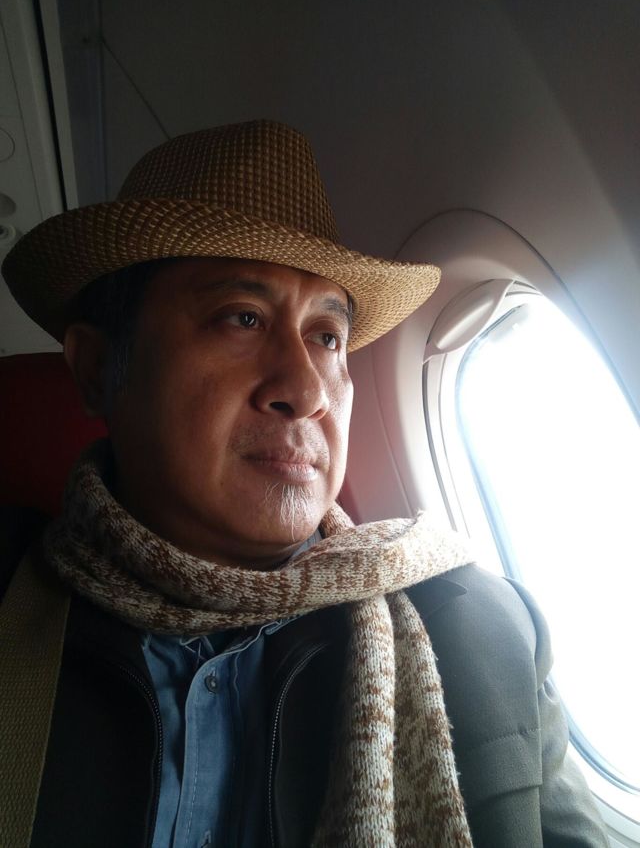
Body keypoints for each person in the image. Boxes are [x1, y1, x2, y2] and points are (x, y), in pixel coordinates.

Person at [1, 120, 608, 848]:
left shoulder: (482, 630)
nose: (307, 389)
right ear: (99, 370)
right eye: (242, 318)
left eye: (326, 336)